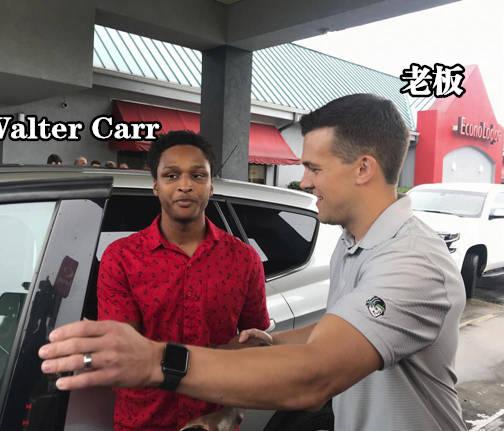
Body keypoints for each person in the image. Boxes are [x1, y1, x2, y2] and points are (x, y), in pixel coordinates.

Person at [39, 94, 467, 431]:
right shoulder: (353, 244)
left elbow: (314, 378)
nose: (304, 181)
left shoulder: (412, 262)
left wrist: (156, 361)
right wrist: (269, 344)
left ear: (363, 169)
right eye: (171, 176)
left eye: (314, 168)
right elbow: (336, 330)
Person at [94, 130, 269, 431]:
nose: (185, 185)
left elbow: (256, 346)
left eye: (197, 176)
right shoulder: (121, 258)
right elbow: (123, 354)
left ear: (211, 185)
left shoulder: (244, 259)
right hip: (142, 423)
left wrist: (233, 411)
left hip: (214, 422)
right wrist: (215, 357)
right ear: (156, 186)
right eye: (171, 176)